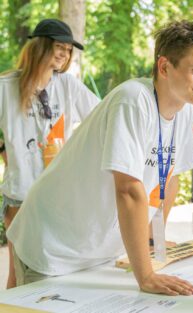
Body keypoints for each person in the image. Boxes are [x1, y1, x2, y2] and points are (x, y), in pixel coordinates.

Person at [7, 20, 193, 295]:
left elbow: (170, 178)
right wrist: (146, 276)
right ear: (165, 67)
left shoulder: (185, 110)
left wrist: (155, 242)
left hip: (98, 249)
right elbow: (129, 190)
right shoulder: (132, 100)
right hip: (54, 245)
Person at [0, 19, 99, 289]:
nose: (64, 54)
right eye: (58, 47)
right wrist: (5, 151)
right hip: (21, 193)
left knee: (46, 274)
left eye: (68, 50)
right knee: (20, 274)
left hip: (56, 194)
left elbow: (101, 118)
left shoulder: (67, 85)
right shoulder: (5, 87)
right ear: (39, 46)